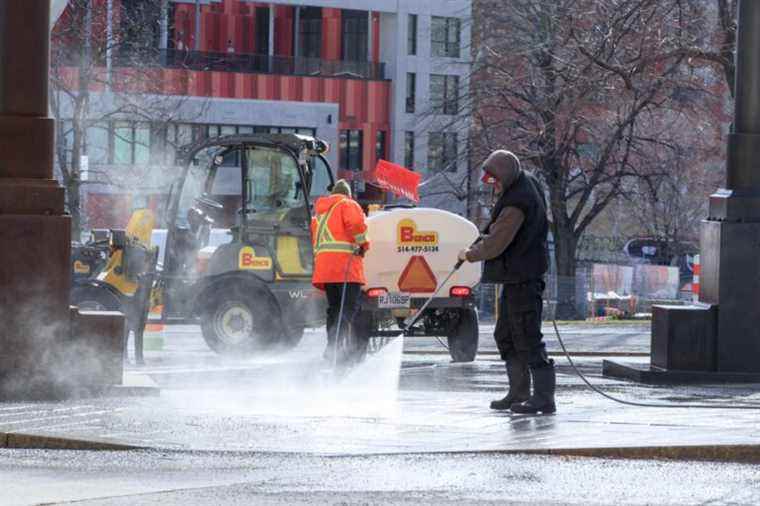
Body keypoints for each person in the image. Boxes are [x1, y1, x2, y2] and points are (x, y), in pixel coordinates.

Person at [458, 150, 554, 414]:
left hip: (524, 277)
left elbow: (498, 242)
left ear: (505, 175)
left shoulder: (516, 203)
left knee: (527, 337)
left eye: (496, 182)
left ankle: (544, 398)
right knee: (507, 335)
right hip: (514, 277)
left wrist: (469, 254)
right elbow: (495, 230)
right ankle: (518, 392)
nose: (495, 188)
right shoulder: (524, 184)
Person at [311, 180, 370, 364]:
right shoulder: (347, 204)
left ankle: (331, 348)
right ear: (347, 194)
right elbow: (357, 226)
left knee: (334, 309)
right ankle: (335, 345)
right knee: (348, 308)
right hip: (344, 266)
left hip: (325, 269)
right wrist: (363, 244)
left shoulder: (321, 213)